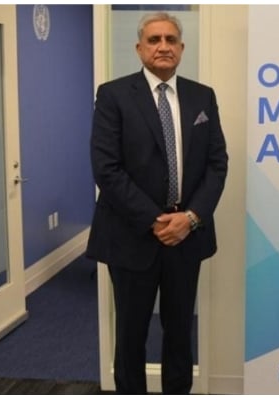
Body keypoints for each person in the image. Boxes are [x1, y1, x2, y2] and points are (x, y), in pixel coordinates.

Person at [86, 12, 228, 394]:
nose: (163, 46)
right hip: (131, 235)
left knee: (180, 331)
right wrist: (157, 219)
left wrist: (191, 218)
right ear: (139, 48)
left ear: (181, 48)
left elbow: (217, 164)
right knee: (130, 336)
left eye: (170, 39)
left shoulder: (203, 97)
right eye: (153, 40)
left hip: (187, 236)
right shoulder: (113, 95)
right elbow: (107, 169)